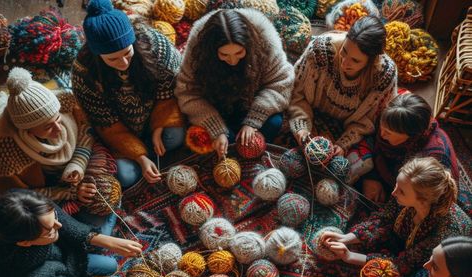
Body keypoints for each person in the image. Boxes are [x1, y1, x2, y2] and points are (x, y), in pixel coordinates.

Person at [72, 0, 185, 188]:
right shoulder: (84, 72)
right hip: (119, 131)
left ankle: (155, 152)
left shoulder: (155, 44)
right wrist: (139, 157)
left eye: (127, 52)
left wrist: (160, 124)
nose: (123, 62)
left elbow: (169, 90)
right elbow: (107, 124)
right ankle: (149, 157)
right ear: (97, 54)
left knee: (175, 136)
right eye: (113, 59)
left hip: (154, 113)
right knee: (125, 176)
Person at [0, 67, 119, 234]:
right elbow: (23, 196)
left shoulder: (65, 104)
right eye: (47, 127)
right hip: (54, 191)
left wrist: (77, 165)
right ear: (27, 130)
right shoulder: (9, 155)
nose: (58, 128)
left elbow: (86, 131)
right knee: (97, 224)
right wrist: (70, 192)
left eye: (57, 118)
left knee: (123, 175)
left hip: (83, 162)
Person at [175, 8, 294, 158]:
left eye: (239, 53)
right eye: (224, 54)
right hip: (215, 106)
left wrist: (253, 121)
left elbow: (281, 83)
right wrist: (216, 129)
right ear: (211, 50)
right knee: (222, 142)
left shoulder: (266, 42)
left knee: (273, 124)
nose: (233, 60)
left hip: (253, 102)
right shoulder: (197, 49)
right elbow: (188, 92)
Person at [323, 157, 471, 275]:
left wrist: (350, 257)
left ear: (422, 200)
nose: (393, 193)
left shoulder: (443, 233)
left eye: (402, 191)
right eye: (396, 186)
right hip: (408, 240)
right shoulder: (404, 196)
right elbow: (384, 219)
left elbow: (403, 264)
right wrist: (347, 237)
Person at [0, 189, 142, 277]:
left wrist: (107, 241)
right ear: (25, 243)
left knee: (111, 264)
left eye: (54, 216)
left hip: (70, 259)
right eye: (50, 230)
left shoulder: (19, 201)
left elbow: (62, 221)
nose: (58, 225)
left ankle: (107, 225)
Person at [289, 15, 397, 157]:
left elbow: (370, 121)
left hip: (349, 131)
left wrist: (343, 144)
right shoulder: (320, 51)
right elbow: (297, 93)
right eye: (344, 51)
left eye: (355, 60)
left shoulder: (383, 77)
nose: (345, 62)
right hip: (306, 114)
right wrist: (301, 129)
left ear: (371, 61)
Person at [359, 92, 459, 201]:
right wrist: (371, 176)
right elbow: (368, 139)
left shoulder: (433, 159)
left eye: (388, 132)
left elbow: (428, 198)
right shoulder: (390, 116)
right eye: (381, 127)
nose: (382, 134)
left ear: (411, 135)